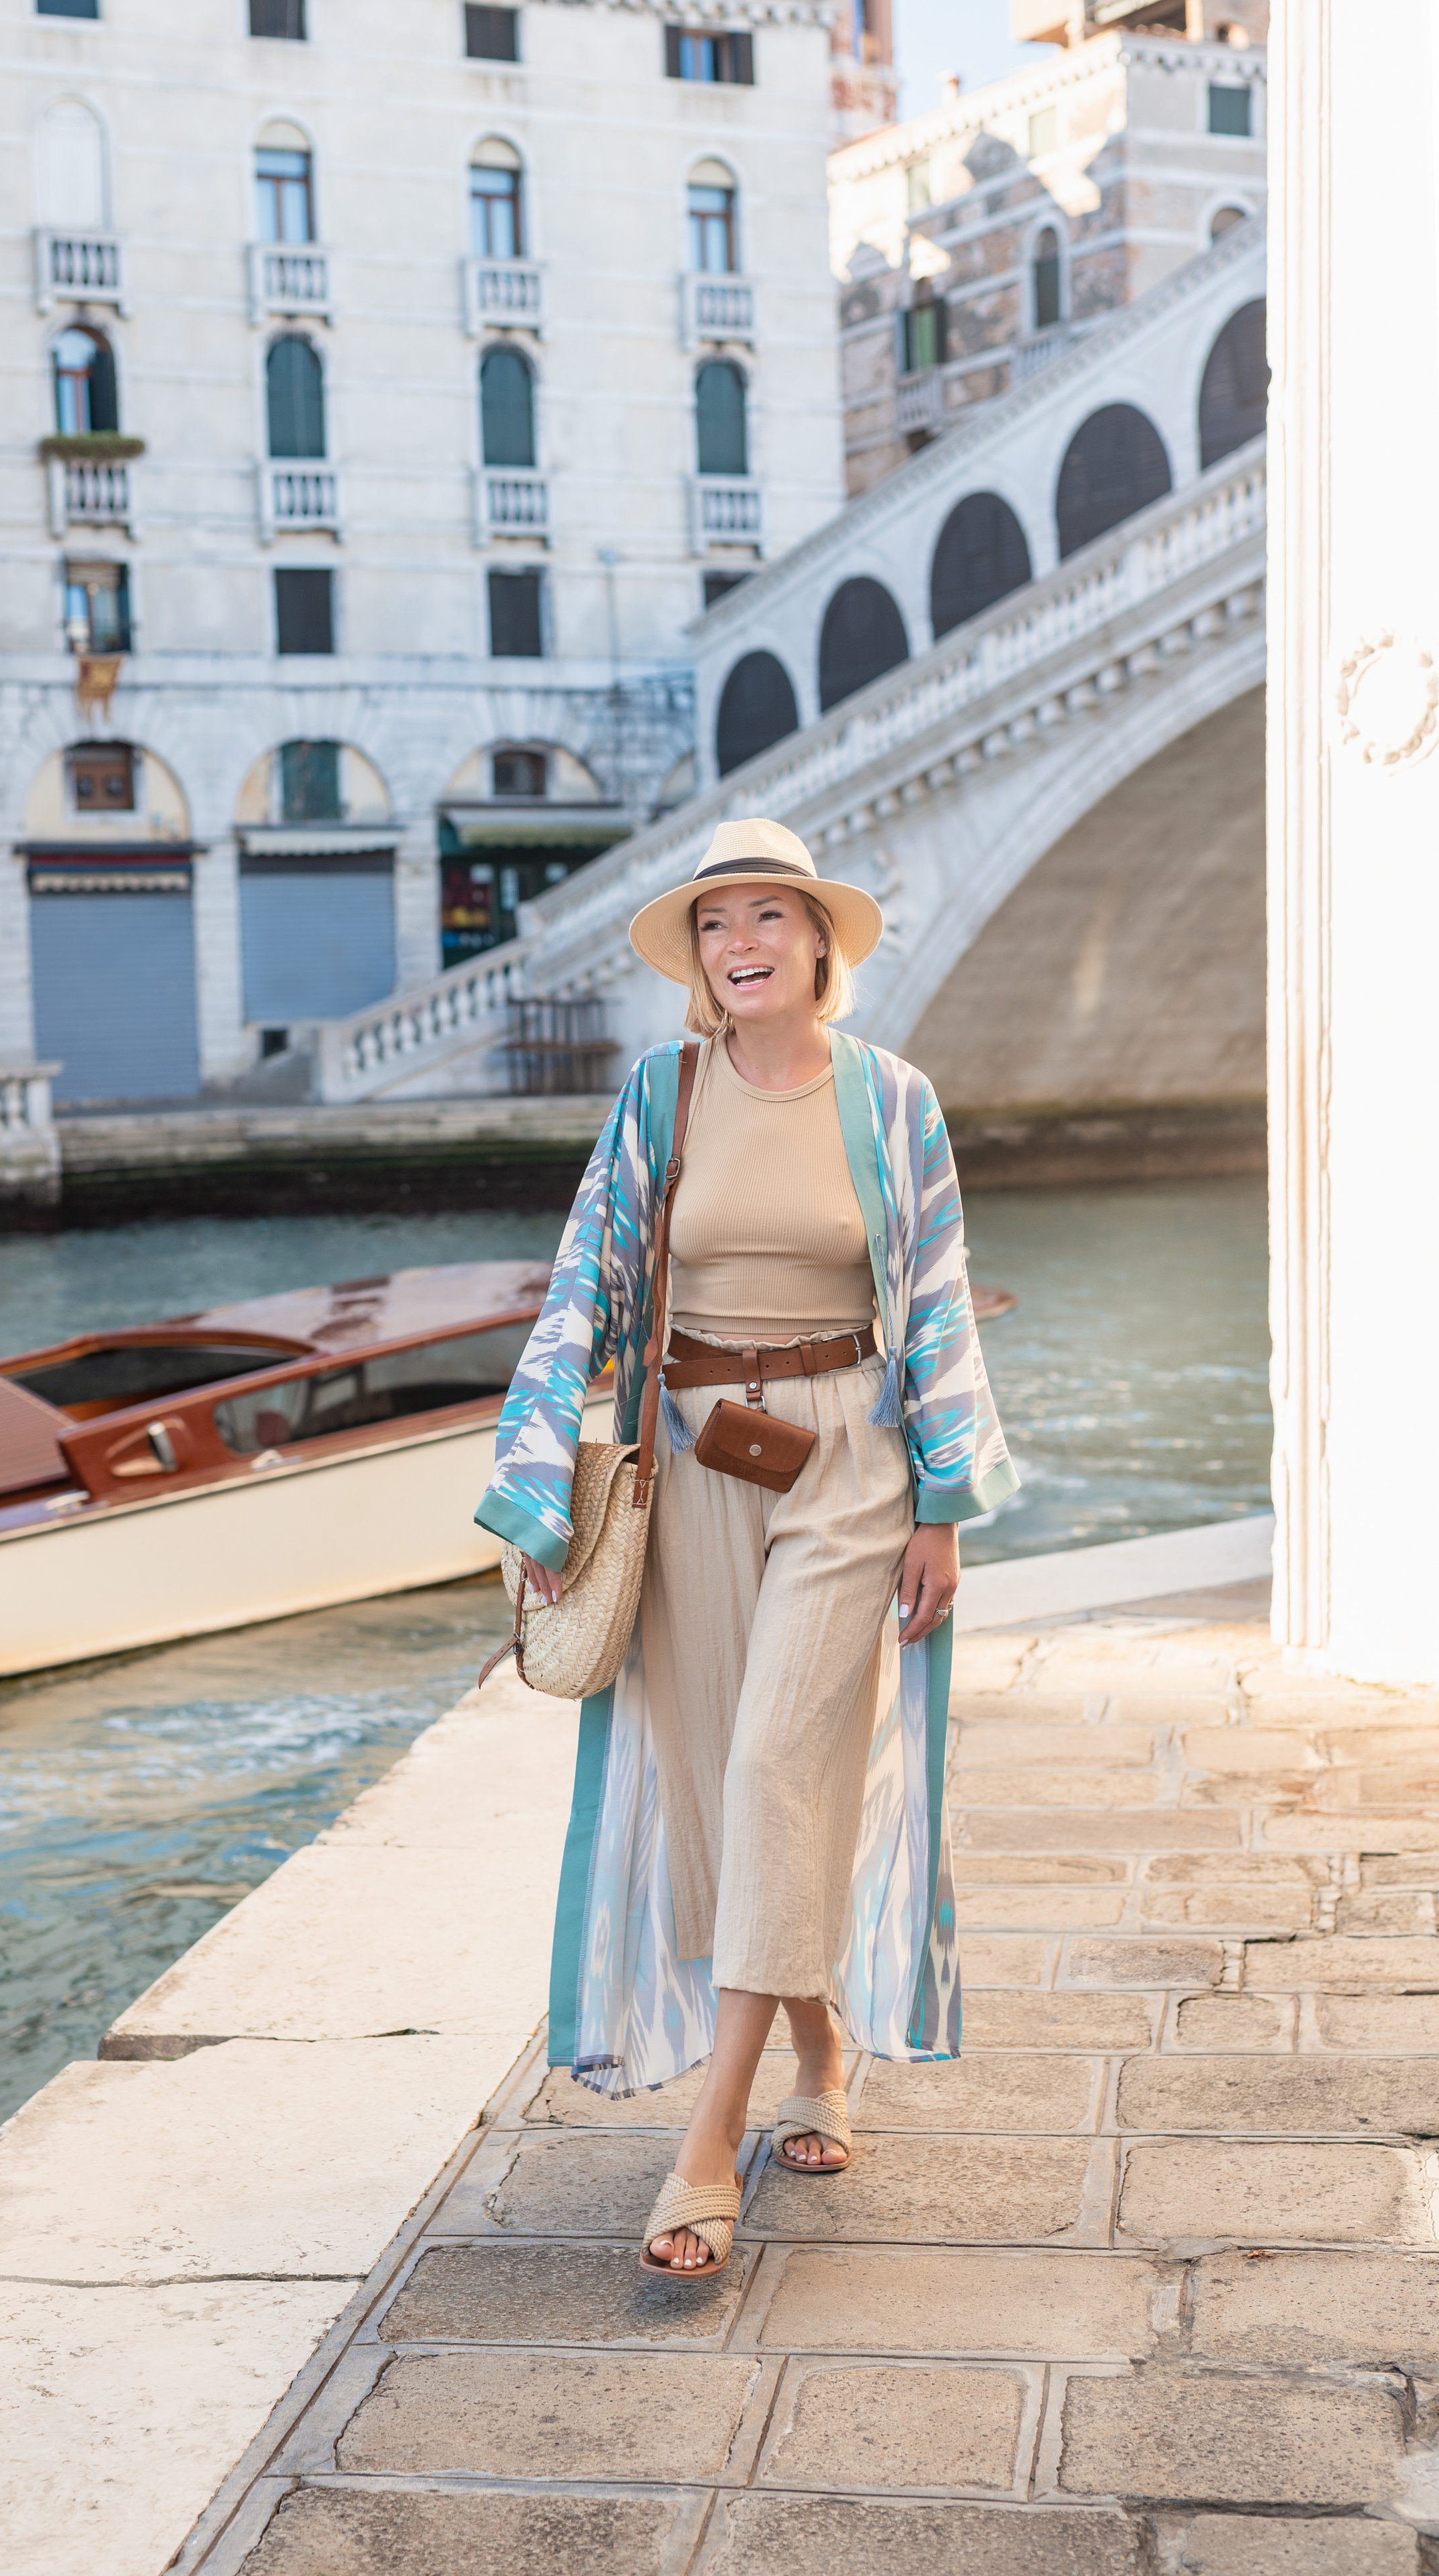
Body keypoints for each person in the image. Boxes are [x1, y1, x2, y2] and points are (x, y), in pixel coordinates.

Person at [476, 818, 1015, 2279]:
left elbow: (942, 1302)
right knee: (720, 1788)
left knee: (781, 1756)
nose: (742, 942)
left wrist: (944, 1506)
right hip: (686, 1460)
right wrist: (533, 1499)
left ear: (817, 942)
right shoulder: (659, 1095)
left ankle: (708, 2135)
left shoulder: (891, 1100)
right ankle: (819, 2045)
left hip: (847, 1457)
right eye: (718, 923)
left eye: (769, 914)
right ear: (697, 957)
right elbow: (581, 1283)